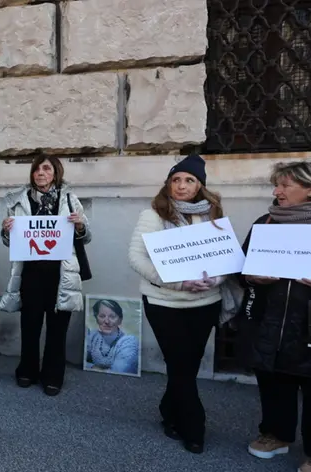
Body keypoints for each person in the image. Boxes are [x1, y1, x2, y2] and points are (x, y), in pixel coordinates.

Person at [128, 153, 231, 455]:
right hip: (164, 303)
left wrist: (216, 279)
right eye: (176, 180)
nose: (181, 186)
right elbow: (136, 258)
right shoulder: (153, 214)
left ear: (200, 185)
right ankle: (194, 427)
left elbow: (226, 258)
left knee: (187, 365)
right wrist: (177, 282)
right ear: (169, 183)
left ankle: (168, 410)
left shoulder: (212, 214)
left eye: (189, 180)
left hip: (205, 302)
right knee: (180, 365)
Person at [237, 161, 311, 472]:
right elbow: (242, 267)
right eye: (277, 185)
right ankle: (276, 434)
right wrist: (252, 276)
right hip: (270, 320)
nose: (277, 191)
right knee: (273, 379)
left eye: (285, 185)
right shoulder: (267, 222)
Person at [0, 156, 91, 397]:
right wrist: (6, 230)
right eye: (37, 169)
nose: (41, 173)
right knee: (30, 325)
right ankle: (27, 370)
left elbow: (86, 235)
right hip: (30, 273)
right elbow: (10, 241)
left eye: (46, 168)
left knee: (57, 327)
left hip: (61, 274)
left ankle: (53, 375)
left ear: (55, 173)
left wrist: (80, 225)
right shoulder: (19, 200)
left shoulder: (70, 199)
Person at [84, 299, 139, 375]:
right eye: (102, 316)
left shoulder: (129, 342)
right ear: (96, 318)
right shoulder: (93, 336)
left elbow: (120, 372)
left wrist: (93, 368)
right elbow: (80, 361)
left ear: (120, 320)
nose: (106, 321)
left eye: (112, 317)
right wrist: (93, 367)